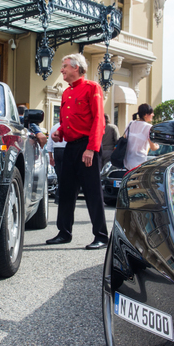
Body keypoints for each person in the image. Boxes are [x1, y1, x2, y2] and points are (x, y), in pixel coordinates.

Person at [46, 53, 108, 250]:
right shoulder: (66, 93)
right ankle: (64, 233)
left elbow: (99, 120)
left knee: (92, 193)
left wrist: (91, 148)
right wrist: (59, 133)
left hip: (87, 147)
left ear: (76, 68)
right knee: (65, 192)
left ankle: (101, 236)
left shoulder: (92, 88)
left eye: (64, 66)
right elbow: (66, 122)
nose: (62, 70)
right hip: (70, 147)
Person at [122, 103, 160, 171]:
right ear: (145, 115)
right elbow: (153, 147)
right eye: (151, 113)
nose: (153, 115)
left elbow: (125, 139)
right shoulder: (149, 127)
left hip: (127, 162)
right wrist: (158, 145)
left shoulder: (130, 124)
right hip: (139, 162)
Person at [46, 121, 66, 203]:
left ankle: (59, 197)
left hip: (57, 150)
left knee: (59, 175)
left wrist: (50, 156)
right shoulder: (68, 125)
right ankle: (61, 197)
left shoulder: (54, 126)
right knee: (67, 175)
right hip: (66, 149)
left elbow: (49, 143)